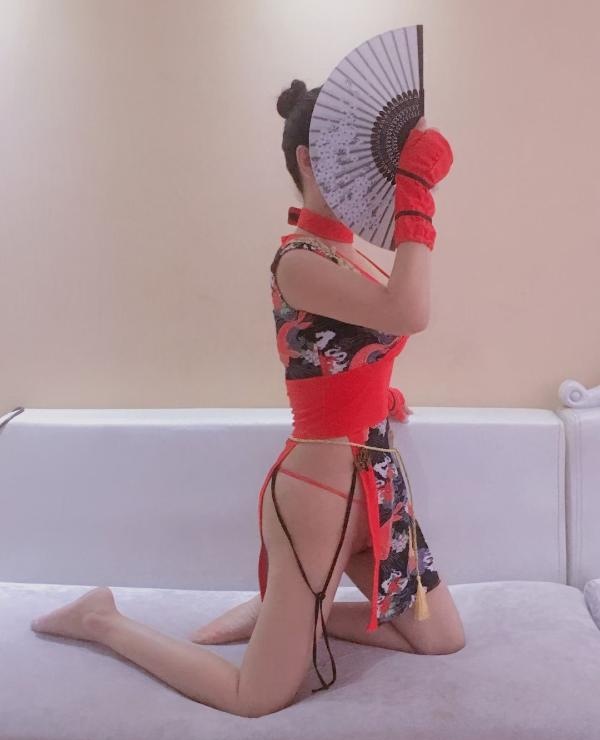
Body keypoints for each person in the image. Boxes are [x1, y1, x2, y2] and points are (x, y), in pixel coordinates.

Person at [29, 79, 465, 718]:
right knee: (256, 697)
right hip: (319, 493)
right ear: (308, 161)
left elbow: (344, 347)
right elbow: (410, 311)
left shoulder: (350, 258)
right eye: (347, 153)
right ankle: (102, 620)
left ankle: (291, 613)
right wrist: (417, 190)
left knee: (441, 636)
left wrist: (375, 393)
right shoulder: (297, 259)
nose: (363, 170)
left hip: (376, 480)